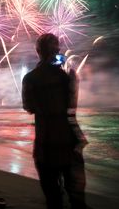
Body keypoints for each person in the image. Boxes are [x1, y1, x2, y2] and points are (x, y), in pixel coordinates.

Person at [22, 33, 87, 209]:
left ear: (38, 52)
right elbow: (72, 106)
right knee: (76, 195)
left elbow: (28, 106)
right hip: (69, 138)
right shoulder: (67, 76)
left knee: (52, 195)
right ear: (58, 51)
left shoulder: (30, 78)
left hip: (46, 141)